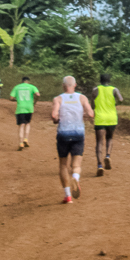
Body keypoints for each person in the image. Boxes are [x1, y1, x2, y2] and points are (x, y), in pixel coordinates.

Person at [51, 76, 93, 204]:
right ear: (74, 85)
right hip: (78, 134)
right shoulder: (82, 98)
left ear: (63, 86)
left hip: (63, 134)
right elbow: (91, 114)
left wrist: (57, 119)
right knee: (76, 165)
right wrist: (85, 117)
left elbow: (54, 115)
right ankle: (75, 176)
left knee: (63, 165)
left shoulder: (58, 99)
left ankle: (68, 196)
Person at [92, 73, 124, 177]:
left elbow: (92, 105)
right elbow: (121, 99)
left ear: (100, 80)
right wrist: (114, 103)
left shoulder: (95, 90)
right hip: (111, 117)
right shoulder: (114, 89)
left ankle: (100, 165)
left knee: (99, 142)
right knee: (109, 138)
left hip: (100, 118)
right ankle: (108, 155)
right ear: (109, 80)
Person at [10, 76, 40, 150]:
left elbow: (11, 98)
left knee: (21, 125)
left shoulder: (17, 87)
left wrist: (17, 99)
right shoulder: (32, 87)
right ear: (28, 81)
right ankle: (26, 139)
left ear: (22, 81)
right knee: (27, 123)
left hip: (20, 108)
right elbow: (38, 94)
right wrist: (35, 101)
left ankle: (21, 143)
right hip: (29, 107)